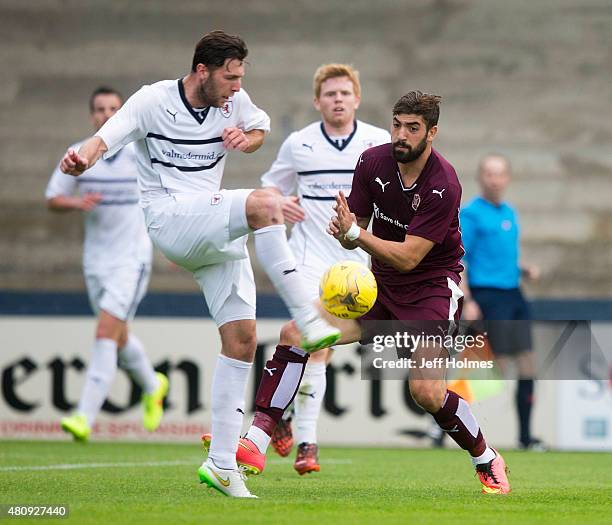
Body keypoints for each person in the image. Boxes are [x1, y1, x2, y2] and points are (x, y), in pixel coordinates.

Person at [59, 31, 340, 498]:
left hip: (211, 227)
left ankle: (222, 463)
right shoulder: (152, 101)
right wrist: (79, 158)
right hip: (171, 217)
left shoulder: (235, 98)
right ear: (202, 71)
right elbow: (103, 140)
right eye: (229, 77)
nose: (236, 86)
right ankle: (308, 321)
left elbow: (260, 128)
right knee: (268, 204)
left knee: (242, 339)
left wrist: (244, 138)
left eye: (240, 78)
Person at [213, 91, 511, 495]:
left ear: (432, 132)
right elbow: (357, 224)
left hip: (430, 292)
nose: (401, 135)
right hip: (378, 287)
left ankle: (486, 458)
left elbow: (408, 257)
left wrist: (356, 235)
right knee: (295, 335)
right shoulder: (373, 162)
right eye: (397, 124)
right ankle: (256, 440)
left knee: (426, 393)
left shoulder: (444, 184)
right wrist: (345, 228)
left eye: (413, 128)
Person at [203, 64, 389, 475]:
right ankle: (308, 443)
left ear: (356, 98)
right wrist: (280, 202)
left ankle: (282, 424)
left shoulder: (379, 142)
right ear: (317, 101)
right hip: (306, 261)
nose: (337, 99)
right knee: (310, 340)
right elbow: (271, 187)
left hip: (356, 266)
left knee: (312, 346)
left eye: (344, 93)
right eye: (330, 94)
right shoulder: (299, 143)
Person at [46, 86, 168, 442]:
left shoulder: (139, 152)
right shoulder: (79, 154)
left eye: (113, 108)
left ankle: (84, 417)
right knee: (118, 335)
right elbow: (53, 197)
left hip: (131, 260)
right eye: (99, 109)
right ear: (91, 116)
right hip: (95, 261)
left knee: (104, 332)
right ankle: (152, 384)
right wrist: (76, 203)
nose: (106, 115)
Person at [460, 154, 544, 450]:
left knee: (527, 363)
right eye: (489, 174)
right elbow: (461, 259)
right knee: (491, 367)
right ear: (480, 177)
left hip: (514, 293)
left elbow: (499, 254)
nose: (495, 180)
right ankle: (442, 420)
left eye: (500, 174)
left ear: (508, 178)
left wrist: (522, 268)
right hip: (488, 295)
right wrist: (467, 299)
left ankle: (525, 436)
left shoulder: (509, 212)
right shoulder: (470, 214)